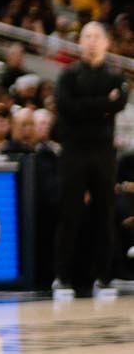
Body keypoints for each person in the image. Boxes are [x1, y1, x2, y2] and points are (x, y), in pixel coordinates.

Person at [53, 20, 126, 299]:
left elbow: (117, 103)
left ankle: (104, 278)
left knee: (104, 213)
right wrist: (102, 106)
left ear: (107, 43)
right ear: (80, 42)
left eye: (97, 36)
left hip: (103, 153)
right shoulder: (68, 76)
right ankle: (62, 277)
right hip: (73, 151)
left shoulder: (116, 77)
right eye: (87, 36)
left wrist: (86, 107)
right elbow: (65, 106)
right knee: (69, 213)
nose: (92, 41)